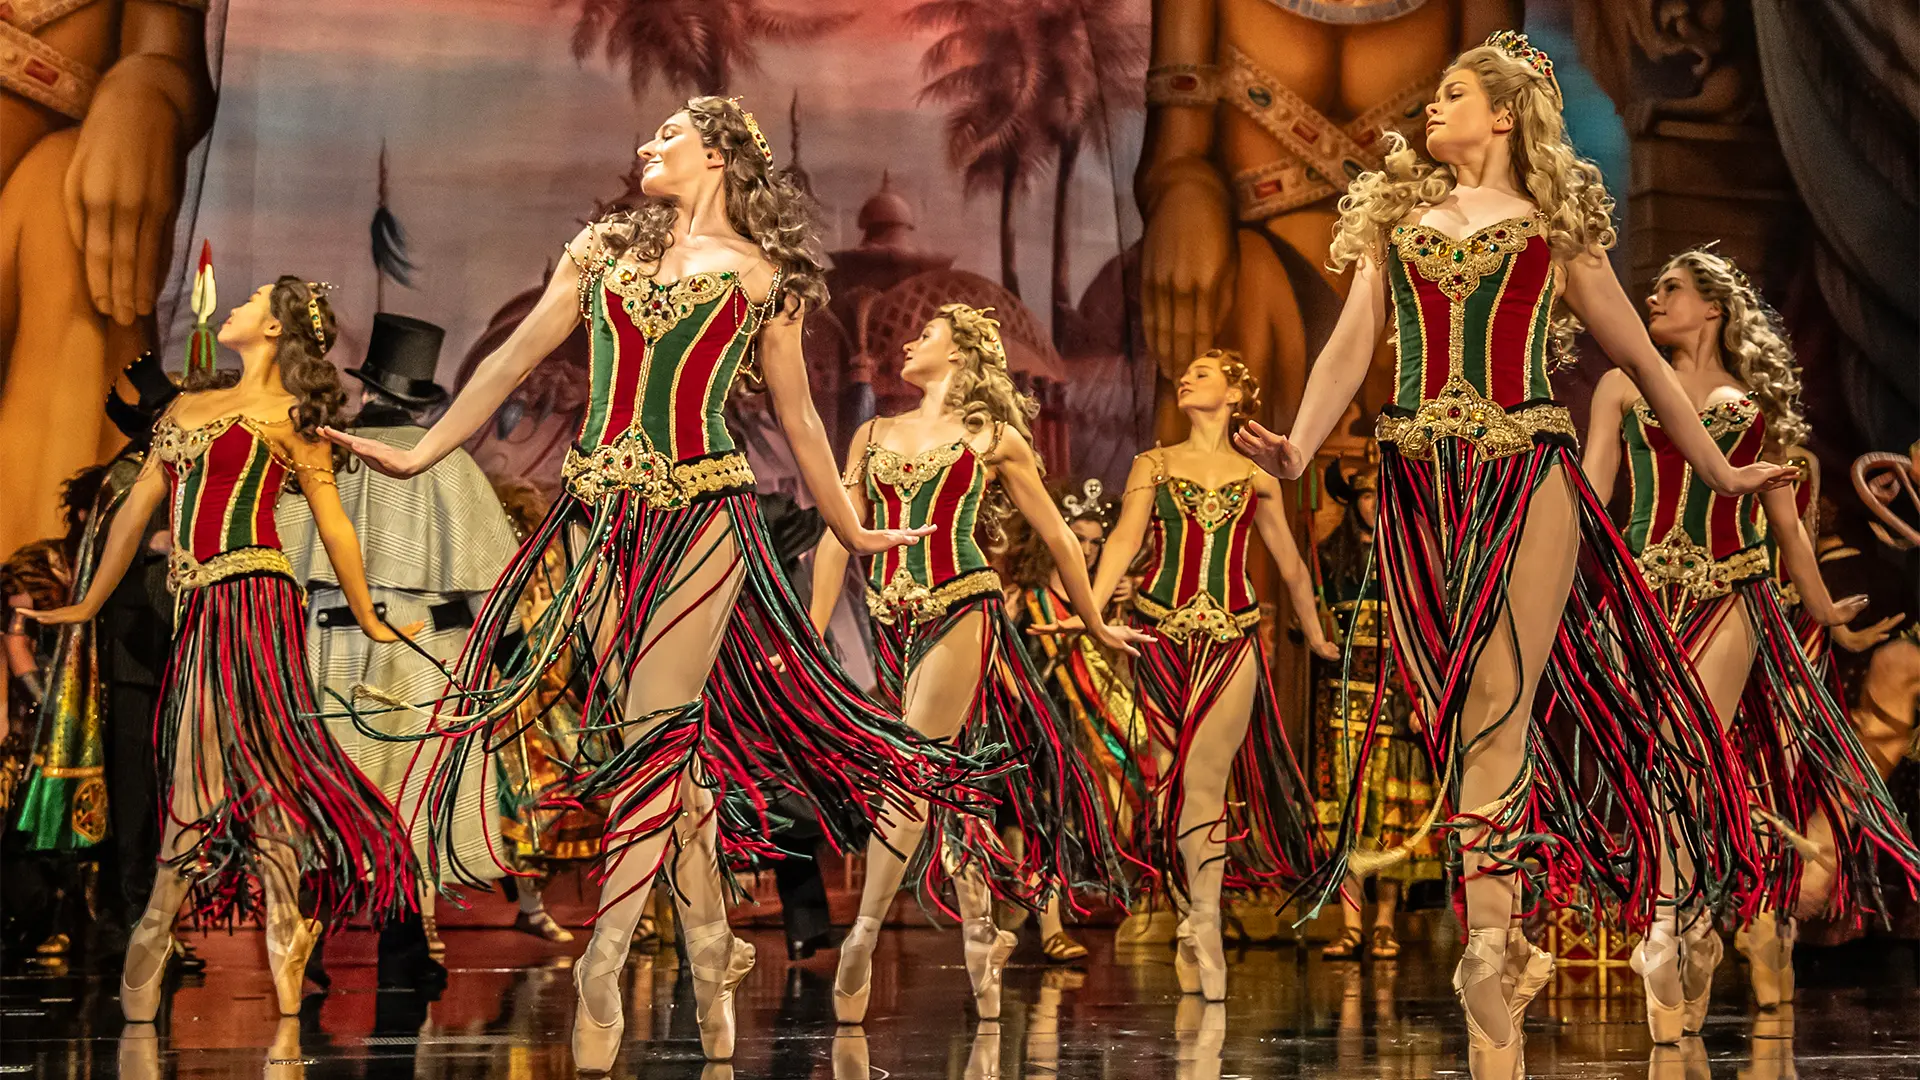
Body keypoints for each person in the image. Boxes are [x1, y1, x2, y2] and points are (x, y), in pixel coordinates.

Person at [321, 97, 982, 1071]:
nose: (646, 145)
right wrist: (422, 456)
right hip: (597, 520)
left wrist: (850, 523)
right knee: (654, 754)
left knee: (651, 735)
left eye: (667, 135)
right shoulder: (599, 252)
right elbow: (510, 357)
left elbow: (801, 428)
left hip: (706, 520)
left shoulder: (764, 280)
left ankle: (606, 955)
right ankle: (709, 936)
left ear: (716, 152)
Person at [1230, 32, 1793, 1077]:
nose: (1429, 109)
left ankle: (1488, 950)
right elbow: (1353, 345)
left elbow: (1634, 352)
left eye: (1450, 94)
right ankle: (1511, 935)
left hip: (1525, 476)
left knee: (1497, 707)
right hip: (1414, 483)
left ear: (1503, 115)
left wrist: (1717, 471)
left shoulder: (1550, 230)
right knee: (1448, 711)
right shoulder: (1396, 221)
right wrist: (1300, 445)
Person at [23, 277, 418, 1020]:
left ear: (274, 330)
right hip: (201, 605)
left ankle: (159, 918)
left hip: (257, 602)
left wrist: (367, 615)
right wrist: (86, 602)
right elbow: (133, 514)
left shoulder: (290, 417)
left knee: (211, 776)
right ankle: (279, 917)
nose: (237, 305)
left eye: (255, 301)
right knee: (251, 776)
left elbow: (333, 526)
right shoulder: (183, 410)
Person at [1581, 247, 1920, 1035]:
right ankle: (1689, 913)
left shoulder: (1753, 408)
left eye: (1673, 288)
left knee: (1689, 745)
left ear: (1714, 309)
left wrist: (1823, 612)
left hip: (1730, 592)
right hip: (1643, 596)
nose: (1655, 296)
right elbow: (1595, 494)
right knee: (1661, 759)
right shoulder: (1621, 387)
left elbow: (1789, 530)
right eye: (1656, 287)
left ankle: (1671, 918)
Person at [807, 303, 1144, 1023]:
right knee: (940, 782)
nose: (907, 340)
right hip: (891, 619)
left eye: (924, 334)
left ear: (960, 354)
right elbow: (841, 536)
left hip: (963, 602)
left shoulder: (991, 436)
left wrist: (1094, 620)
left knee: (913, 765)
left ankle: (860, 937)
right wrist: (811, 629)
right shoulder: (873, 434)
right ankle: (981, 936)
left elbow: (1055, 534)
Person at [279, 312, 531, 988]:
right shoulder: (448, 464)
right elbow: (498, 579)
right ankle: (404, 950)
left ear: (367, 391)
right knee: (412, 800)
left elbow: (281, 562)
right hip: (427, 649)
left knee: (333, 793)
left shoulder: (323, 460)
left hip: (330, 643)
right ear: (422, 399)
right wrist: (506, 657)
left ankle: (309, 952)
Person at [1076, 348, 1335, 1003]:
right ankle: (1190, 906)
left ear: (1234, 391)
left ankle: (1205, 922)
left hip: (1234, 637)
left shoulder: (1258, 477)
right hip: (1162, 636)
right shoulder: (1153, 466)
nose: (1187, 378)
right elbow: (1124, 544)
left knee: (1205, 787)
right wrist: (1093, 613)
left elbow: (1292, 565)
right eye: (1185, 373)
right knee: (1174, 784)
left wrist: (1317, 631)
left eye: (1203, 371)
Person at [1003, 478, 1150, 963]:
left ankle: (1050, 912)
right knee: (1039, 819)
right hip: (1031, 723)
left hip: (1084, 728)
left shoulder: (1101, 598)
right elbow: (1000, 660)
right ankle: (1047, 925)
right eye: (1079, 539)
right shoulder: (1023, 598)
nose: (1087, 551)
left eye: (1095, 542)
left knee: (1067, 819)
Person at [1309, 459, 1441, 961]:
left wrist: (1419, 697)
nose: (1373, 505)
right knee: (1347, 815)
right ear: (1353, 502)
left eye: (1380, 496)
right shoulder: (1327, 558)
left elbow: (1425, 639)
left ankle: (1385, 921)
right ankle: (1349, 922)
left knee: (1392, 816)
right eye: (1364, 496)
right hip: (1342, 699)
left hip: (1395, 697)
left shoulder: (1412, 561)